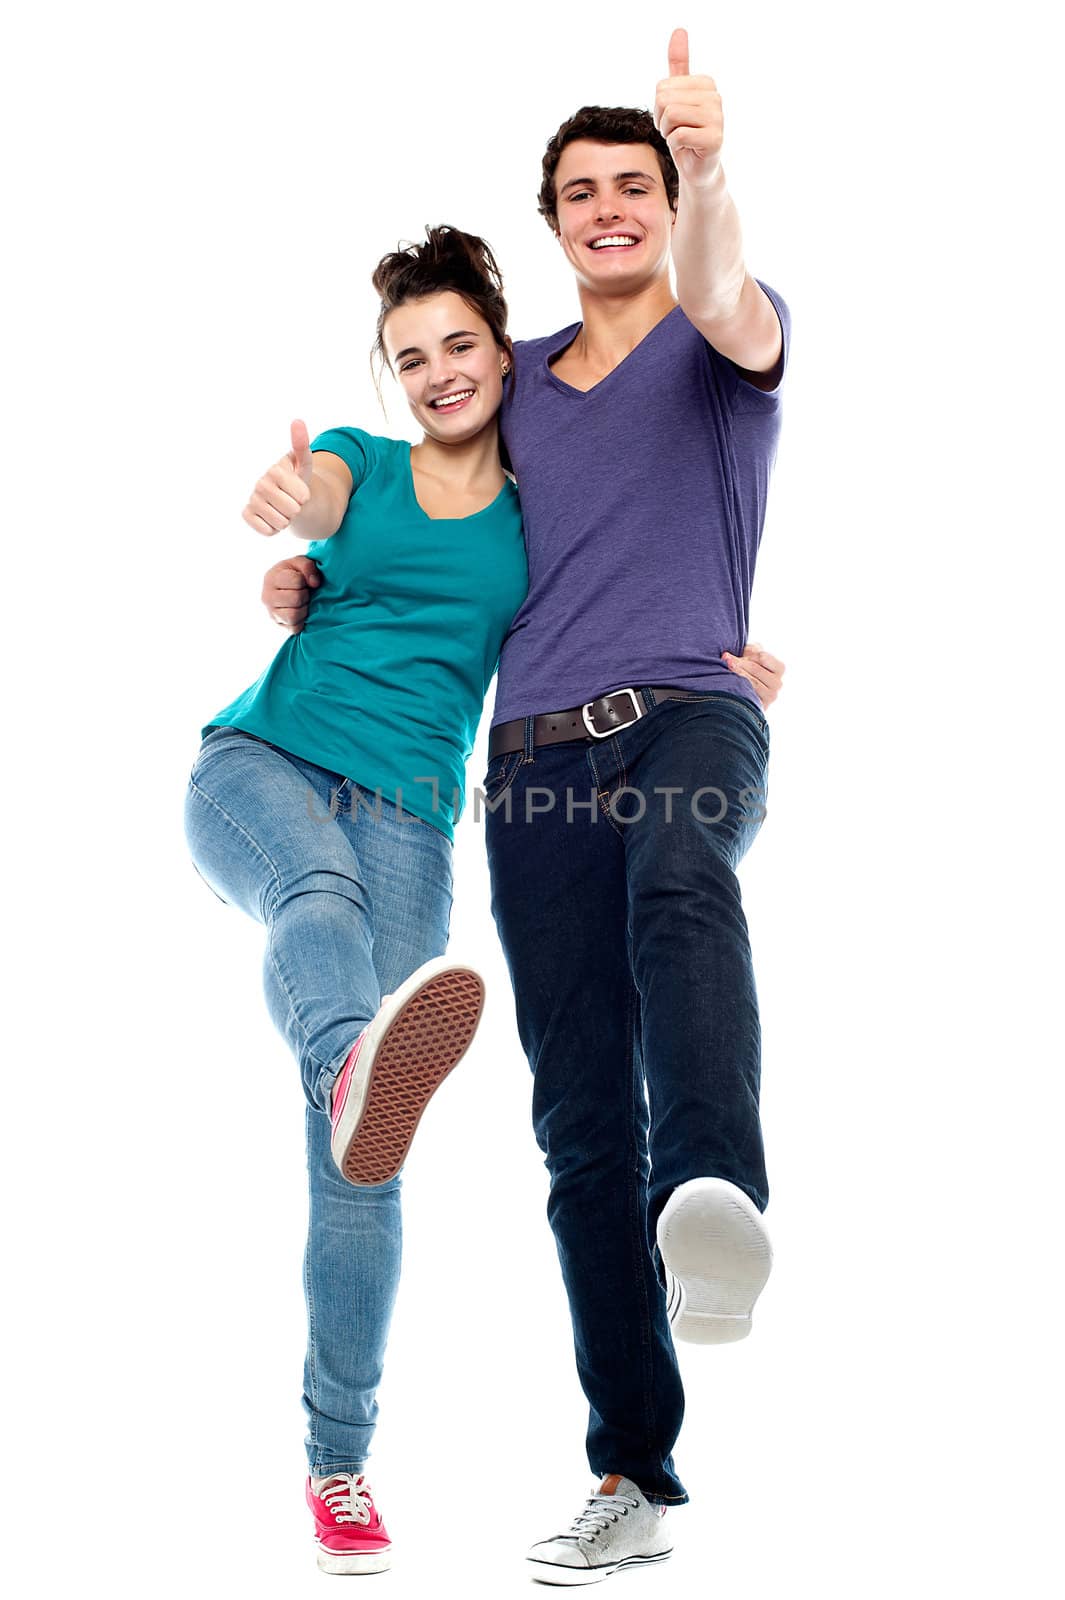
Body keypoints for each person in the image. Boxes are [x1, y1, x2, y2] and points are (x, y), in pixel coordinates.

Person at [261, 31, 790, 1582]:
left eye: (634, 184)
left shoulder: (717, 342)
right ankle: (631, 1473)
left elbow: (725, 283)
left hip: (689, 714)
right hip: (533, 770)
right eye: (585, 193)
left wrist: (707, 173)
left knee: (685, 883)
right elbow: (410, 533)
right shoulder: (518, 396)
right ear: (551, 225)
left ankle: (716, 1193)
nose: (612, 208)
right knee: (573, 1126)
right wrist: (303, 569)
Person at [183, 227, 528, 1576]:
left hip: (411, 823)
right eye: (409, 357)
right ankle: (350, 1067)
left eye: (457, 345)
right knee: (316, 918)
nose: (437, 372)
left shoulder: (534, 512)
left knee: (356, 1163)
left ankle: (339, 1466)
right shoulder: (362, 461)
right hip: (260, 769)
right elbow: (315, 493)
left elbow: (619, 594)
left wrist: (724, 666)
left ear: (500, 349)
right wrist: (291, 512)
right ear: (386, 379)